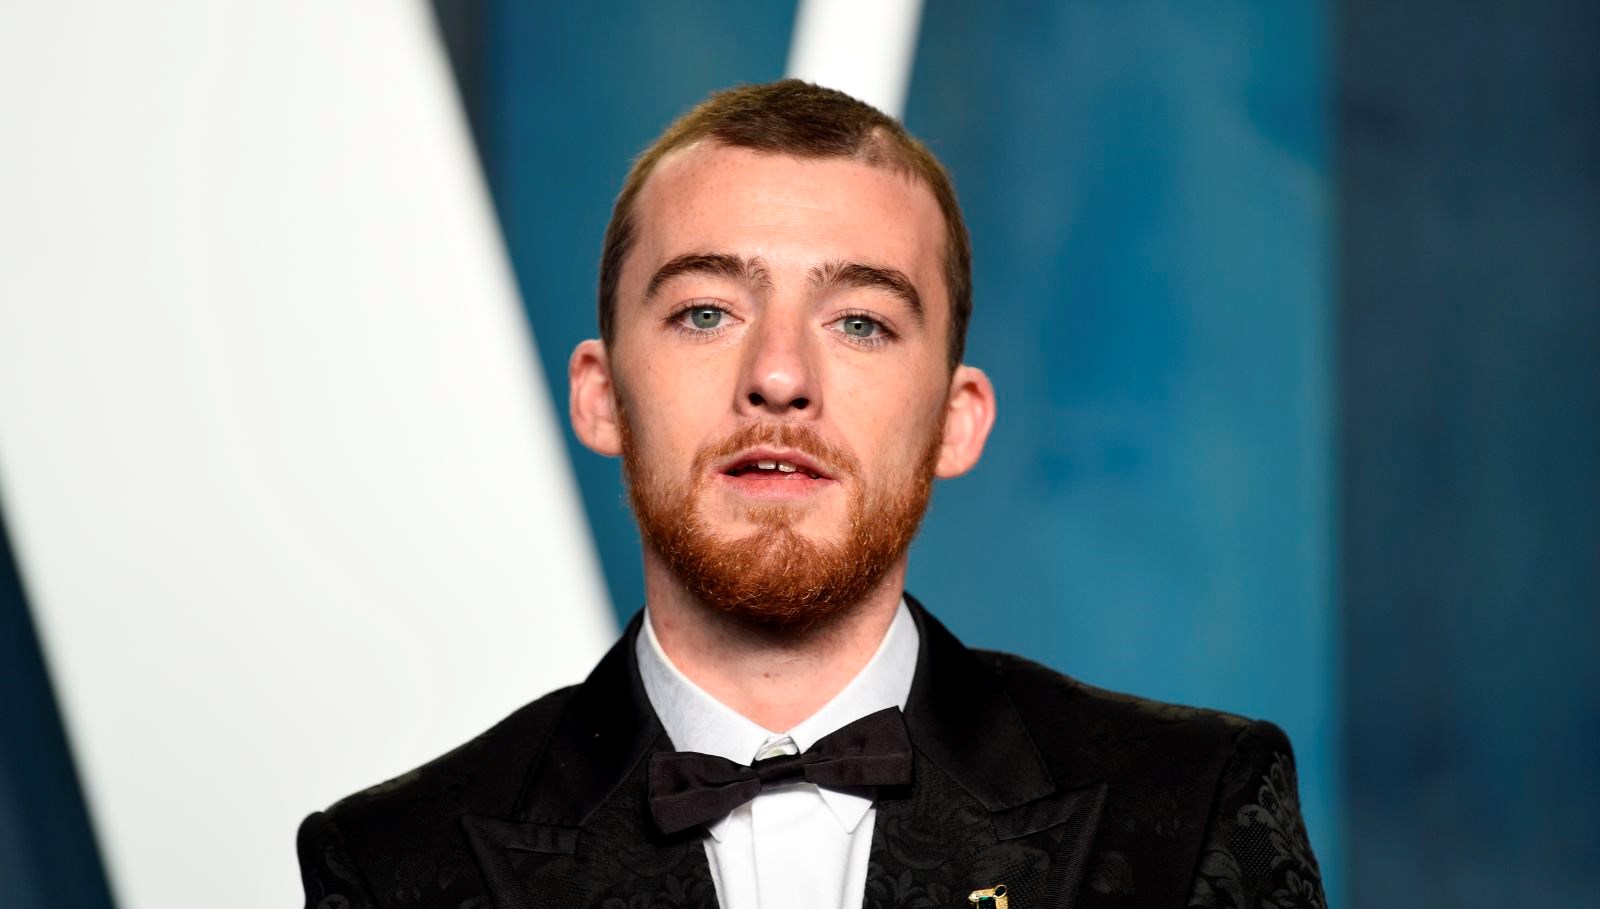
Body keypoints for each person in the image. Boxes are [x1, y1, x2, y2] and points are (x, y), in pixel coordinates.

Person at [296, 79, 1325, 909]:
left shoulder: (1193, 808)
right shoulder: (393, 865)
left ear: (954, 421)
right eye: (706, 312)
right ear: (601, 396)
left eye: (861, 322)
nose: (780, 375)